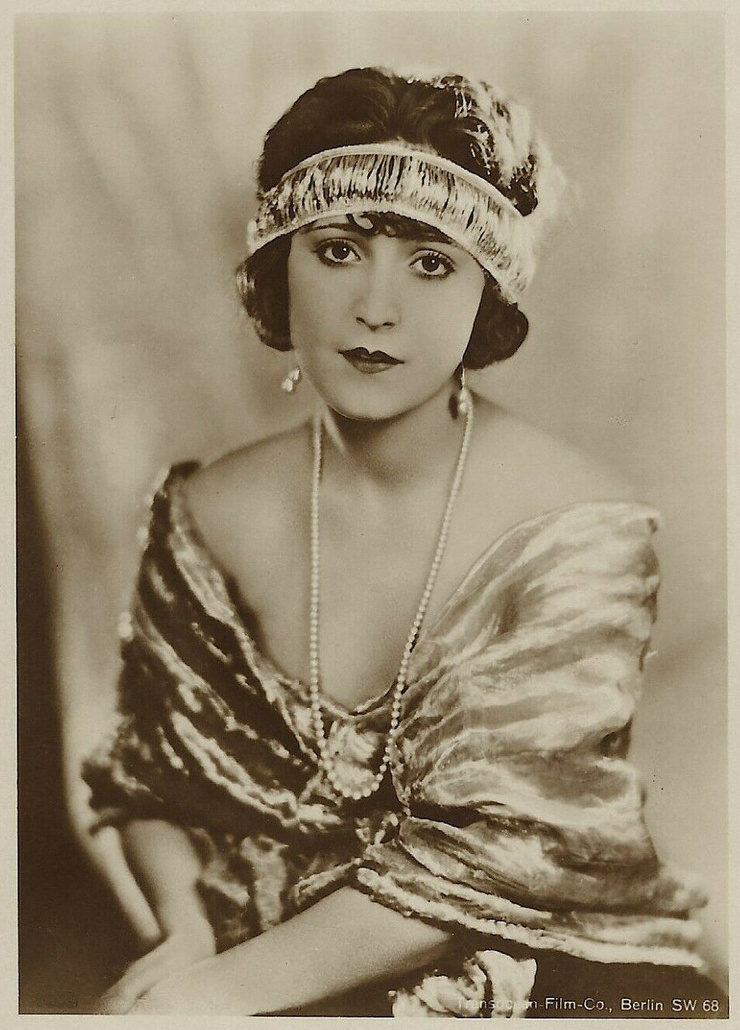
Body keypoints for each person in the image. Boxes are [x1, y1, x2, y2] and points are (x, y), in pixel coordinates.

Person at [80, 67, 725, 1017]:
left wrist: (214, 993)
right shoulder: (205, 512)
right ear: (280, 267)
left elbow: (499, 853)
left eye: (430, 263)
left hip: (554, 973)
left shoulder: (575, 525)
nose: (376, 307)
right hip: (260, 964)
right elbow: (151, 783)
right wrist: (185, 932)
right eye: (339, 250)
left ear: (485, 290)